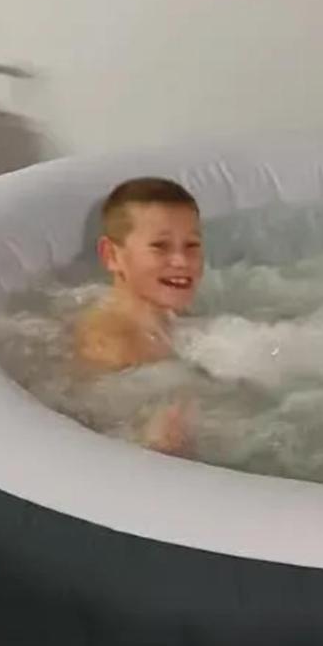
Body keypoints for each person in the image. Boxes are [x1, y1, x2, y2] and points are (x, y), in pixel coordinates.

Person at [74, 176, 204, 451]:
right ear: (111, 255)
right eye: (160, 246)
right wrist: (158, 445)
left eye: (192, 245)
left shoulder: (172, 318)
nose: (182, 261)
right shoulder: (113, 346)